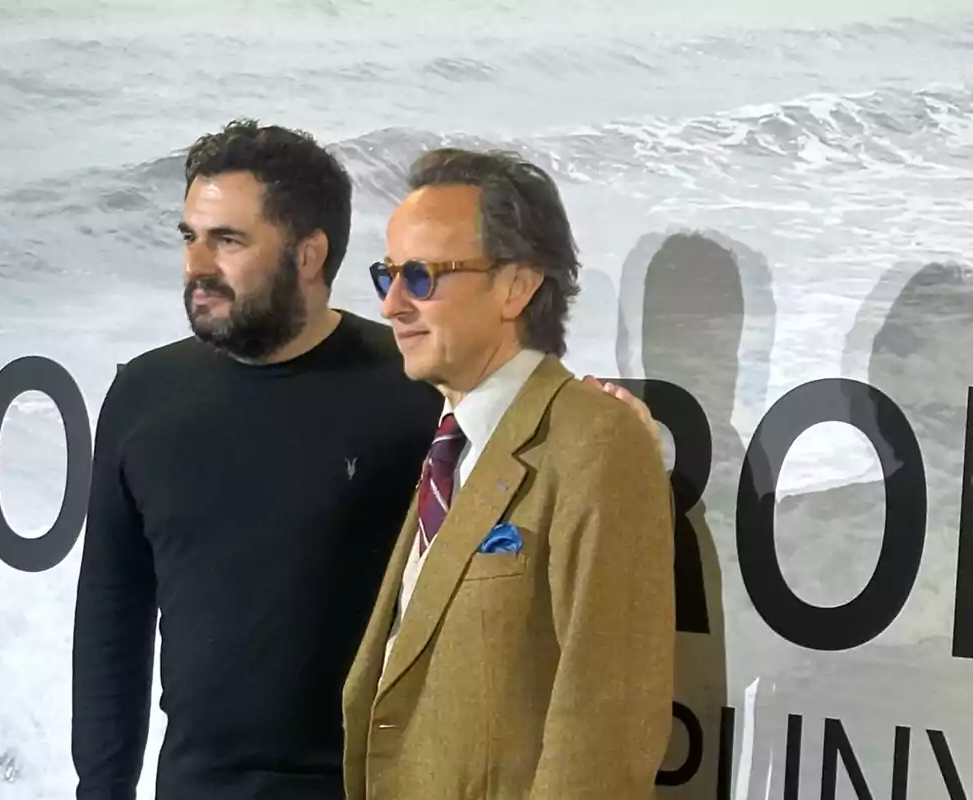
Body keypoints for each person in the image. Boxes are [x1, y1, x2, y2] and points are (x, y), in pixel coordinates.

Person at [70, 119, 660, 800]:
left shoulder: (421, 393)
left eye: (228, 240)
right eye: (190, 238)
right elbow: (111, 615)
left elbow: (536, 439)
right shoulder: (145, 395)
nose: (196, 264)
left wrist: (613, 430)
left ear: (308, 253)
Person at [341, 147, 675, 799]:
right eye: (387, 276)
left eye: (421, 276)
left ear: (517, 286)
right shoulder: (449, 441)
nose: (392, 305)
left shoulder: (595, 442)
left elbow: (602, 734)